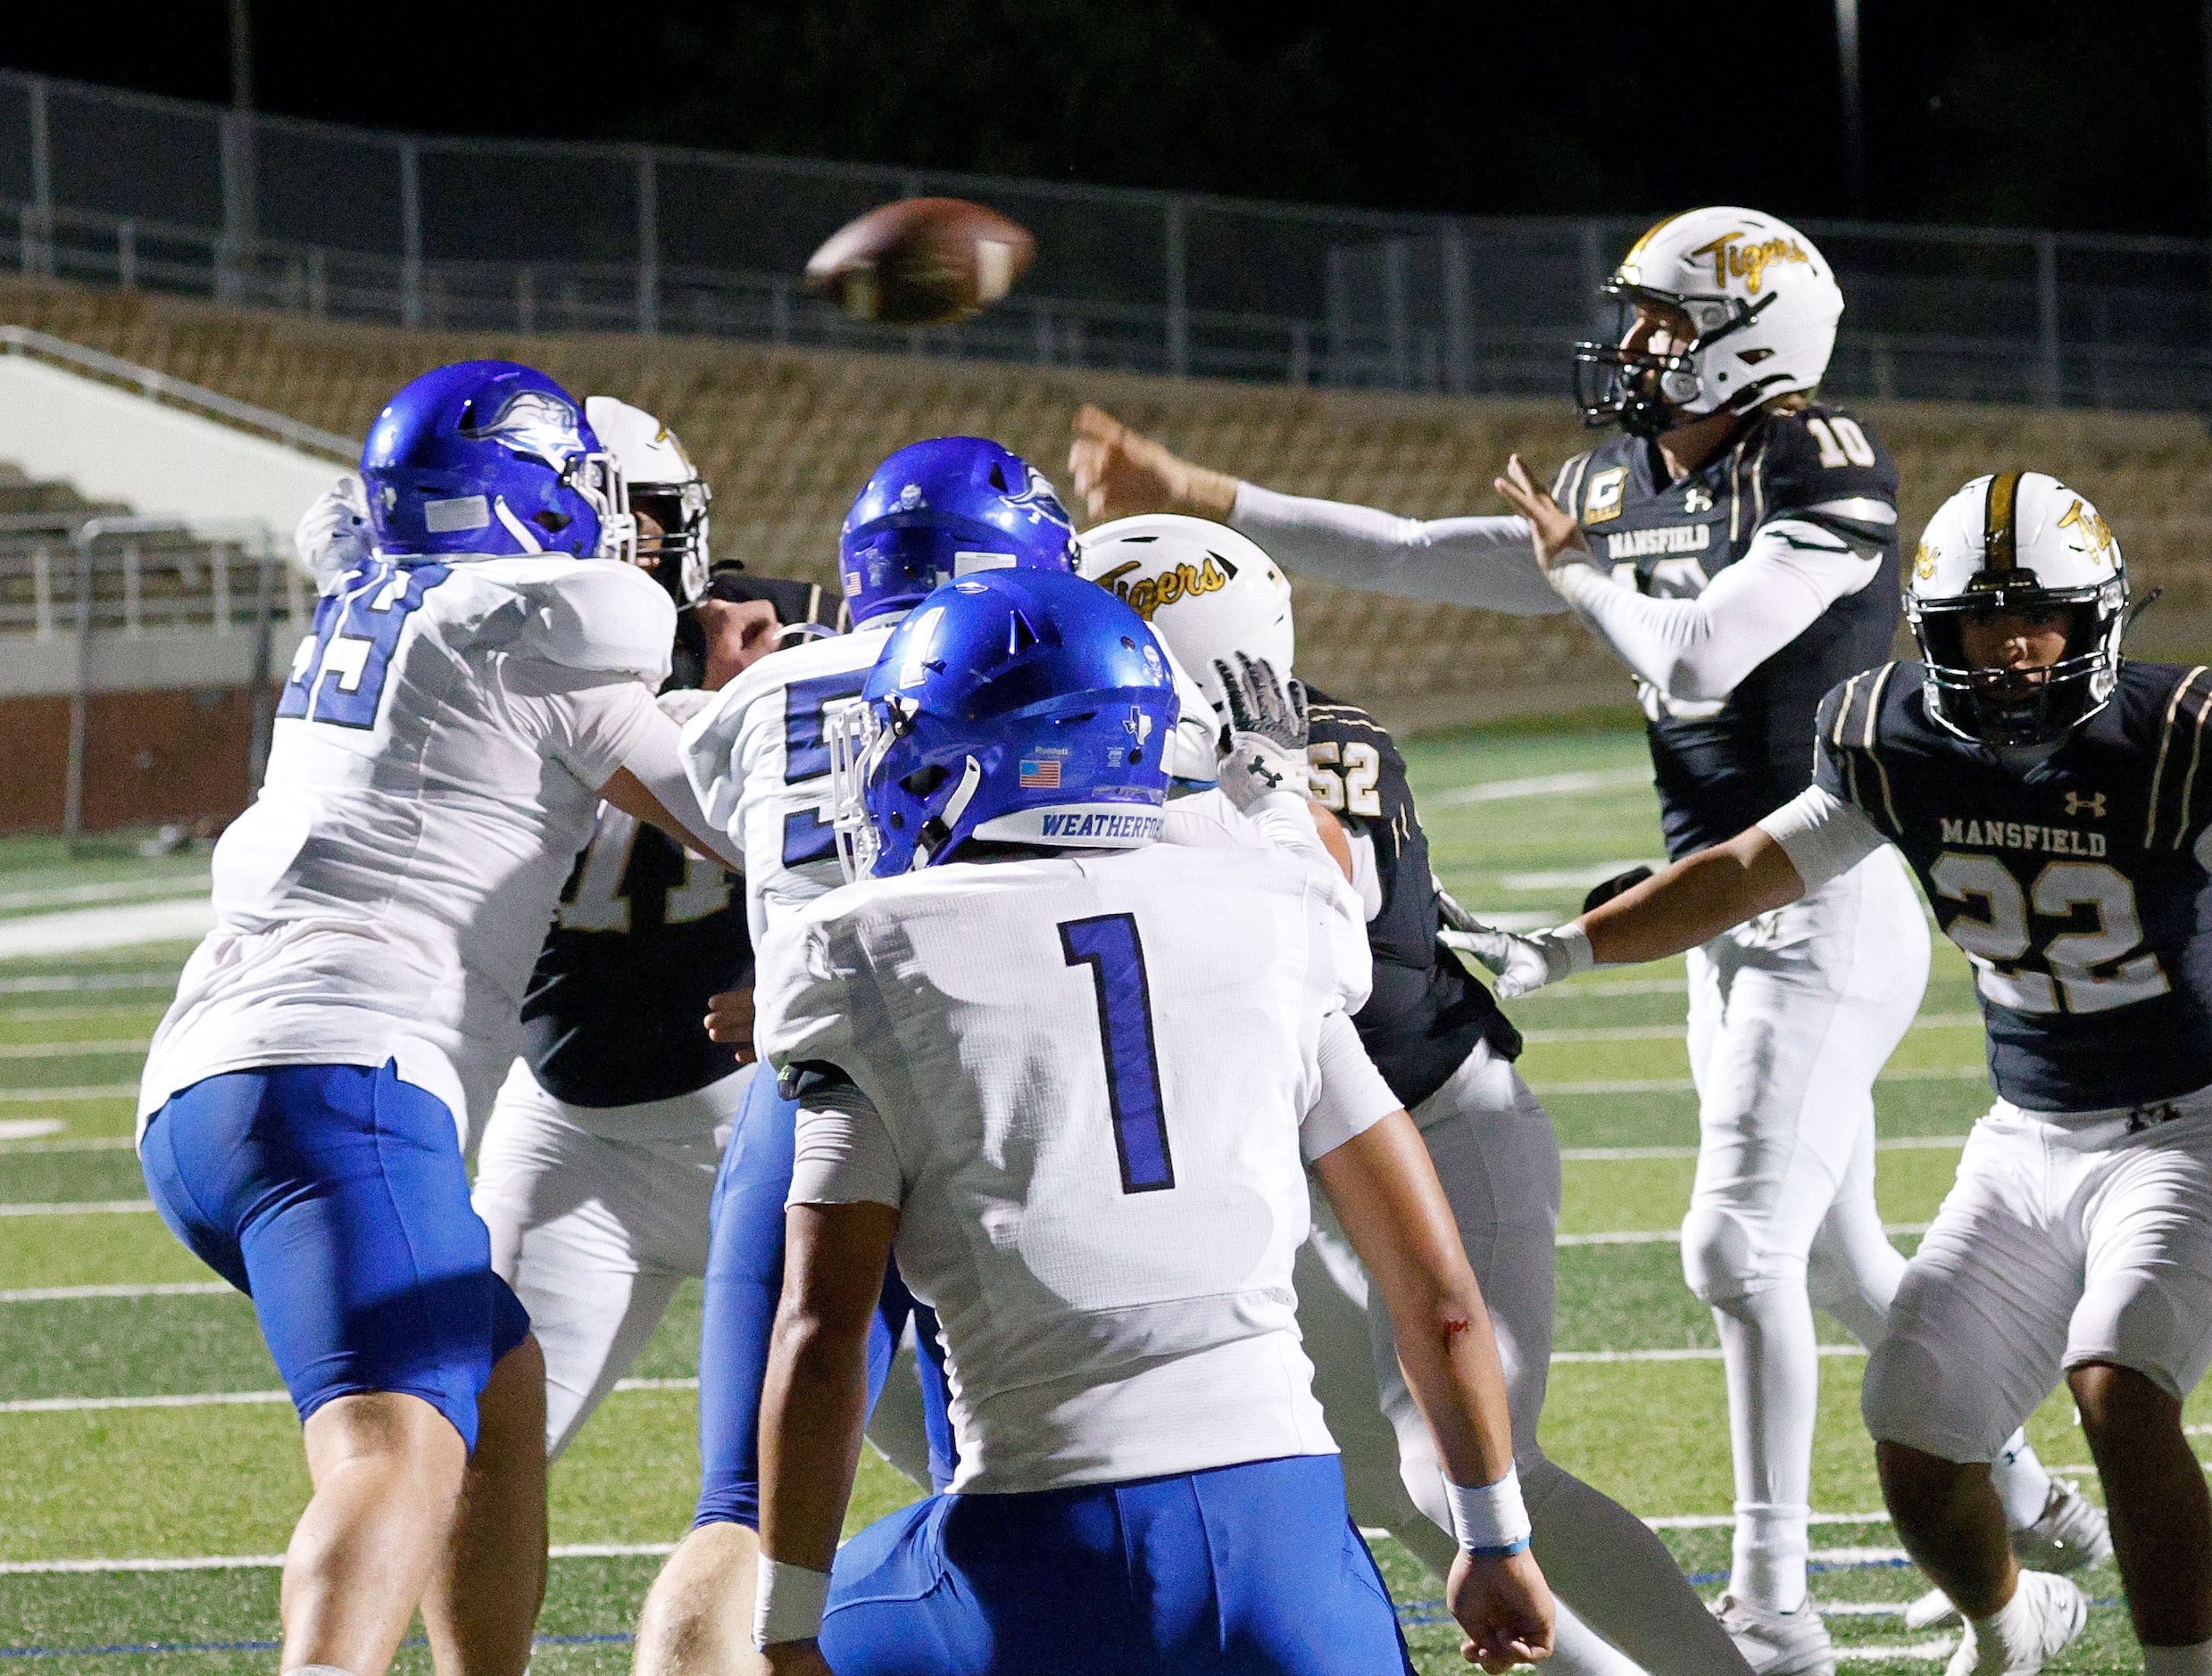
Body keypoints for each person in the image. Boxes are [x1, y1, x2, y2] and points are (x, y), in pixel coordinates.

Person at [1069, 207, 2092, 1672]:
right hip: (1710, 906)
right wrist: (1207, 495)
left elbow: (1696, 653)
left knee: (1738, 1251)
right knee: (1846, 1265)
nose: (1629, 349)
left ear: (1753, 336)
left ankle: (1770, 1603)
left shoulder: (1813, 461)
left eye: (1663, 324)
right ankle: (2023, 1519)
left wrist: (1574, 570)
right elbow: (1426, 550)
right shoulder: (1623, 477)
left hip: (1823, 890)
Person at [1445, 470, 2212, 1676]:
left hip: (2184, 1133)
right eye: (1989, 621)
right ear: (1940, 632)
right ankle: (2009, 1621)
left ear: (2099, 621)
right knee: (1917, 1433)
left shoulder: (2175, 735)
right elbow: (1742, 868)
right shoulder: (1893, 735)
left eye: (2043, 617)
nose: (2019, 646)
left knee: (2116, 1384)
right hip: (2024, 1135)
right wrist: (1565, 948)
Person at [745, 568, 1555, 1676]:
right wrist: (1495, 1540)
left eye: (910, 733)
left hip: (1040, 1551)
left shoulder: (863, 953)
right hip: (1295, 1564)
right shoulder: (1276, 919)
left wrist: (784, 1629)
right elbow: (1446, 1305)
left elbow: (822, 1332)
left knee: (778, 1640)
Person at [136, 361, 726, 1676]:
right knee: (392, 1442)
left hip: (211, 1088)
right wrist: (761, 713)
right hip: (338, 1080)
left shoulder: (379, 592)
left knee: (497, 1392)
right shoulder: (551, 628)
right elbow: (755, 826)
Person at [1082, 511, 1748, 1676]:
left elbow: (1347, 974)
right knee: (1351, 1463)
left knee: (1471, 1461)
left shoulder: (1322, 749)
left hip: (1428, 1123)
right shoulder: (1124, 756)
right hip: (1289, 1151)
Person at [633, 437, 1080, 1676]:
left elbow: (745, 830)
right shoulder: (1037, 670)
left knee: (741, 1509)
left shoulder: (764, 695)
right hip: (980, 1089)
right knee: (993, 1494)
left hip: (803, 1088)